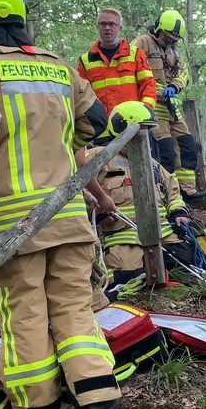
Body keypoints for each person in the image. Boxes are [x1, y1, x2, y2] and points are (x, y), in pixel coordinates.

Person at [0, 0, 121, 409]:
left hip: (13, 223)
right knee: (73, 304)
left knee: (23, 309)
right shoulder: (59, 67)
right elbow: (96, 121)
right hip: (68, 215)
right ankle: (97, 395)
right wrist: (60, 145)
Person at [76, 101, 196, 300]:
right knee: (126, 276)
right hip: (121, 236)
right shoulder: (96, 158)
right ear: (123, 129)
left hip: (162, 234)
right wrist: (95, 211)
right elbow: (76, 189)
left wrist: (179, 213)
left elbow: (173, 192)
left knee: (187, 258)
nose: (145, 137)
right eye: (142, 131)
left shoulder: (154, 165)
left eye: (147, 131)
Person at [132, 10, 206, 202]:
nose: (170, 40)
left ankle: (187, 191)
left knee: (187, 146)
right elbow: (129, 66)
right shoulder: (142, 42)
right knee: (165, 151)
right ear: (158, 29)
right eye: (167, 36)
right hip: (152, 107)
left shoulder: (175, 50)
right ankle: (168, 194)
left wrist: (175, 86)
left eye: (174, 38)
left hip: (172, 107)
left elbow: (183, 73)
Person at [76, 8, 157, 118]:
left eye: (112, 24)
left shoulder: (135, 54)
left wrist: (144, 113)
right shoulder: (85, 61)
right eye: (103, 24)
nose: (107, 28)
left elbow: (148, 86)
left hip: (133, 122)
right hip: (101, 127)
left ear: (119, 28)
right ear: (97, 27)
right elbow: (81, 96)